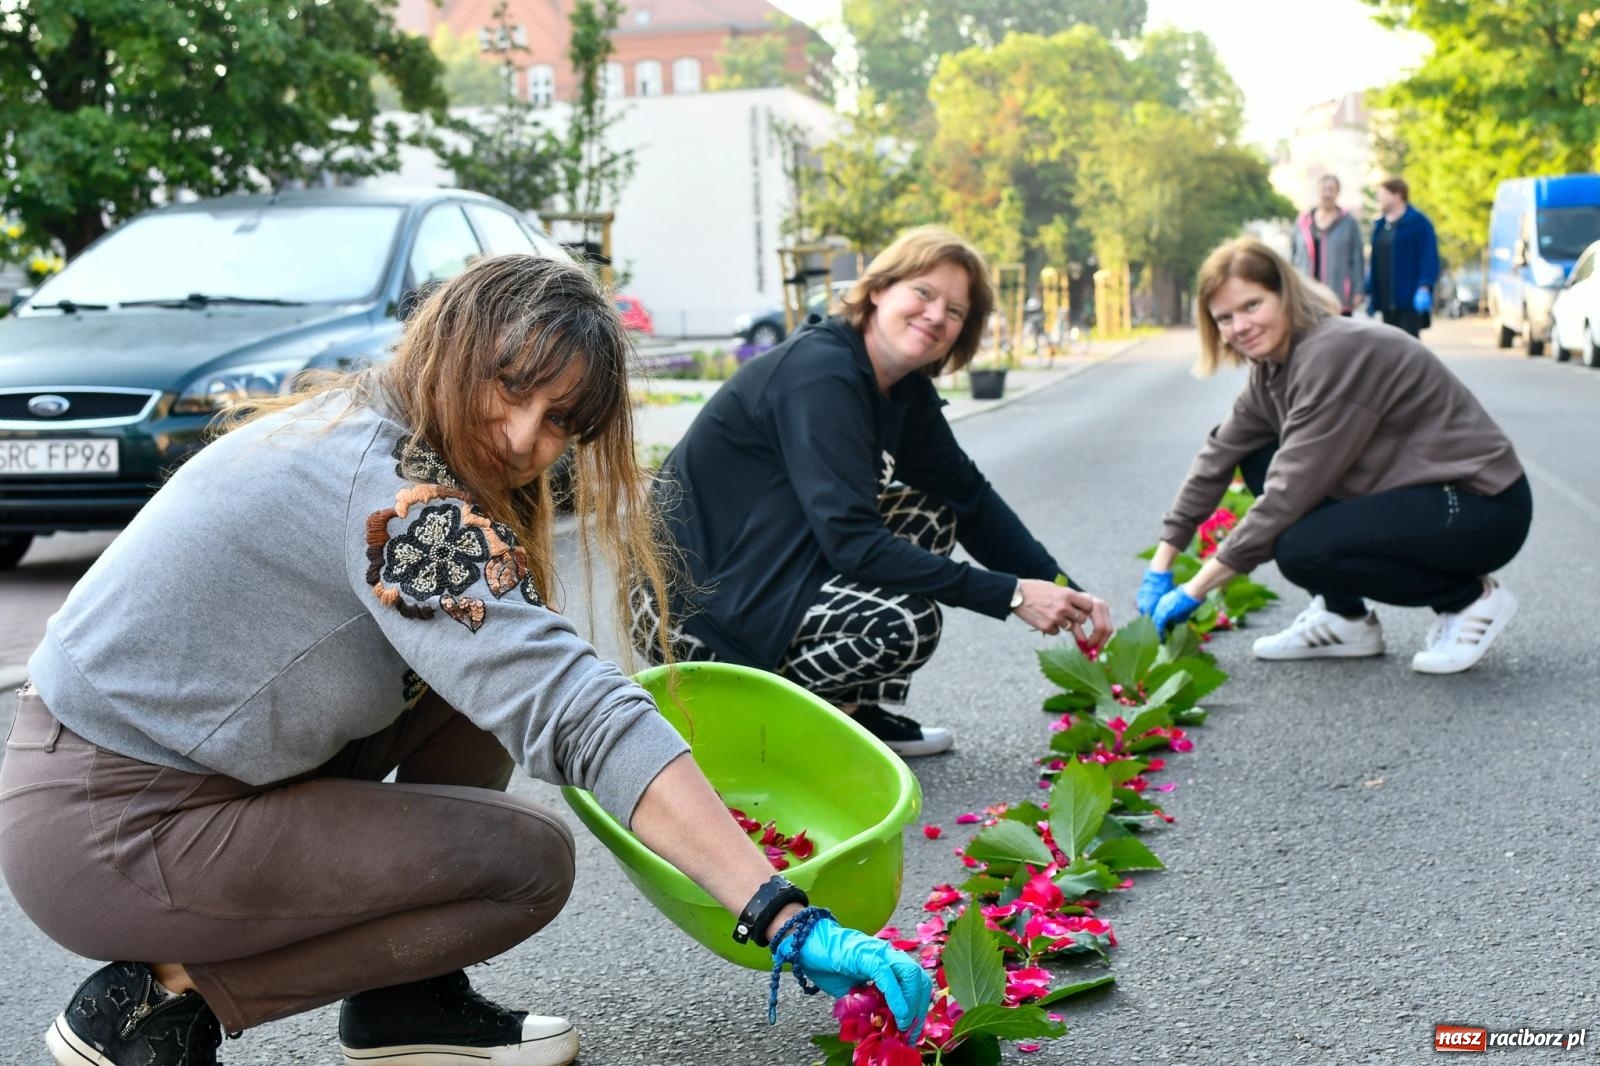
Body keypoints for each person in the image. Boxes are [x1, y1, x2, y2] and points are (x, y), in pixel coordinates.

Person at [0, 255, 931, 1066]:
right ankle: (161, 1001)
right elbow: (573, 707)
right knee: (523, 863)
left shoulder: (377, 427)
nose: (529, 440)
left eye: (562, 420)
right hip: (113, 829)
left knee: (469, 689)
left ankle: (404, 1006)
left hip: (158, 776)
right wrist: (776, 911)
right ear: (450, 348)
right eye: (512, 387)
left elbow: (527, 666)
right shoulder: (397, 501)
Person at [632, 226, 1112, 757]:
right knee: (904, 621)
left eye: (955, 312)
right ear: (880, 288)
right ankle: (762, 723)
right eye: (924, 293)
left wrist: (1065, 591)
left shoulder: (899, 389)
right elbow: (853, 545)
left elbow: (969, 498)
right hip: (690, 607)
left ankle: (851, 713)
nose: (936, 316)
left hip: (763, 573)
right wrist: (1012, 595)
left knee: (933, 513)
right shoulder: (821, 375)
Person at [1137, 237, 1531, 675]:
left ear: (1284, 294)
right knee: (1256, 457)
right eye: (1224, 317)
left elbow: (1289, 495)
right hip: (1420, 494)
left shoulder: (1334, 353)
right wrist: (1162, 564)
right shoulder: (1271, 373)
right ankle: (1345, 619)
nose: (1240, 326)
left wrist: (1196, 589)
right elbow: (1216, 458)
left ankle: (1468, 601)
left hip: (1481, 506)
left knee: (1301, 548)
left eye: (1252, 305)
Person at [1366, 176, 1440, 337]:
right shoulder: (1380, 226)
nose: (1379, 198)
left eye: (1383, 193)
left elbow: (1428, 256)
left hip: (1409, 298)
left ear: (1397, 195)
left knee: (1408, 343)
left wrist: (1424, 285)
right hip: (1386, 298)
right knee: (1390, 345)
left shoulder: (1419, 223)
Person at [1289, 174, 1365, 315]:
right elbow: (1293, 257)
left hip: (1337, 294)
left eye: (1331, 190)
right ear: (1317, 191)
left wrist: (1358, 290)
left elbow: (1357, 258)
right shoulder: (1302, 222)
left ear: (1337, 193)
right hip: (1307, 295)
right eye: (1324, 189)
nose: (1327, 194)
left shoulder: (1349, 222)